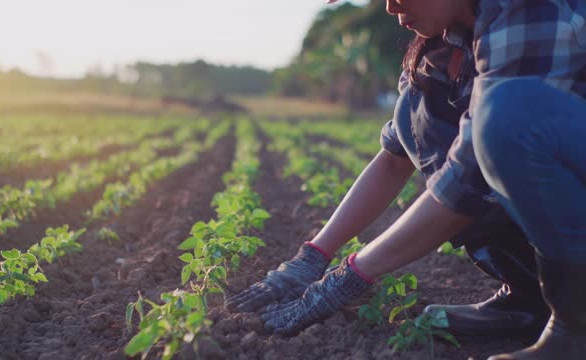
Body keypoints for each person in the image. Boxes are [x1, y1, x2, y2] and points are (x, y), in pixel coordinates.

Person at [226, 1, 586, 359]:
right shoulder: (449, 46)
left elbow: (468, 180)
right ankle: (530, 298)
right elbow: (394, 161)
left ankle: (576, 327)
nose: (390, 6)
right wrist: (313, 257)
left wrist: (351, 275)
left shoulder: (529, 7)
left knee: (508, 113)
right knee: (417, 109)